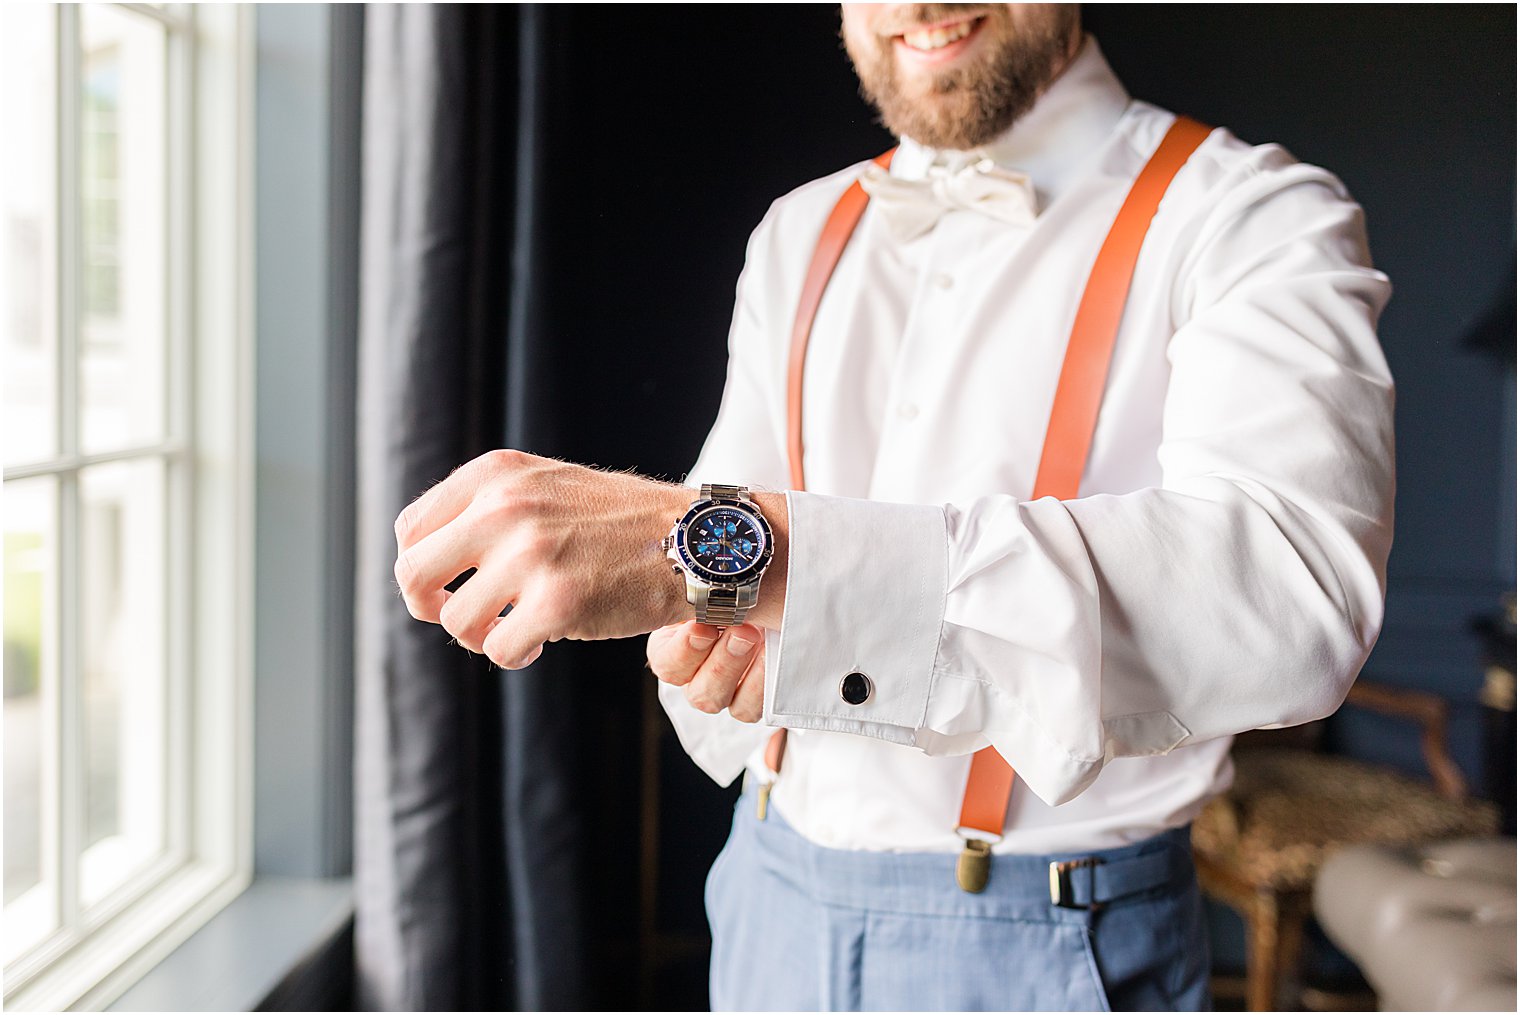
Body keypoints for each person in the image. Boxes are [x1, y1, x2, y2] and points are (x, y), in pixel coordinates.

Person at [392, 3, 1394, 1009]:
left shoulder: (1249, 213)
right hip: (760, 894)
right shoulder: (796, 231)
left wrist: (712, 550)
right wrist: (718, 634)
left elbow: (1288, 596)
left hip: (1045, 939)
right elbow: (735, 583)